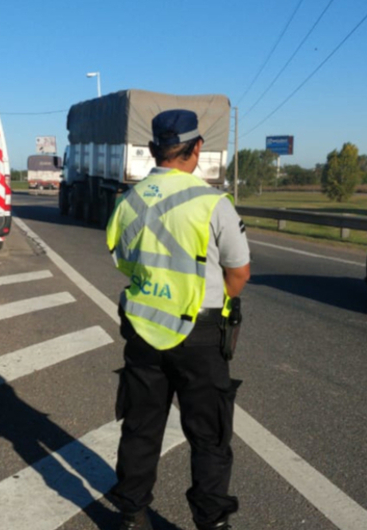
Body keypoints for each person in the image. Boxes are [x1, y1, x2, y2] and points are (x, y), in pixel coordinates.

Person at [105, 109, 251, 530]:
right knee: (209, 436)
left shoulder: (127, 200)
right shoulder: (212, 203)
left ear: (153, 150)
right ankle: (211, 521)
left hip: (143, 331)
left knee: (140, 428)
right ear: (197, 149)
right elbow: (239, 273)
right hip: (201, 335)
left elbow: (122, 260)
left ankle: (132, 514)